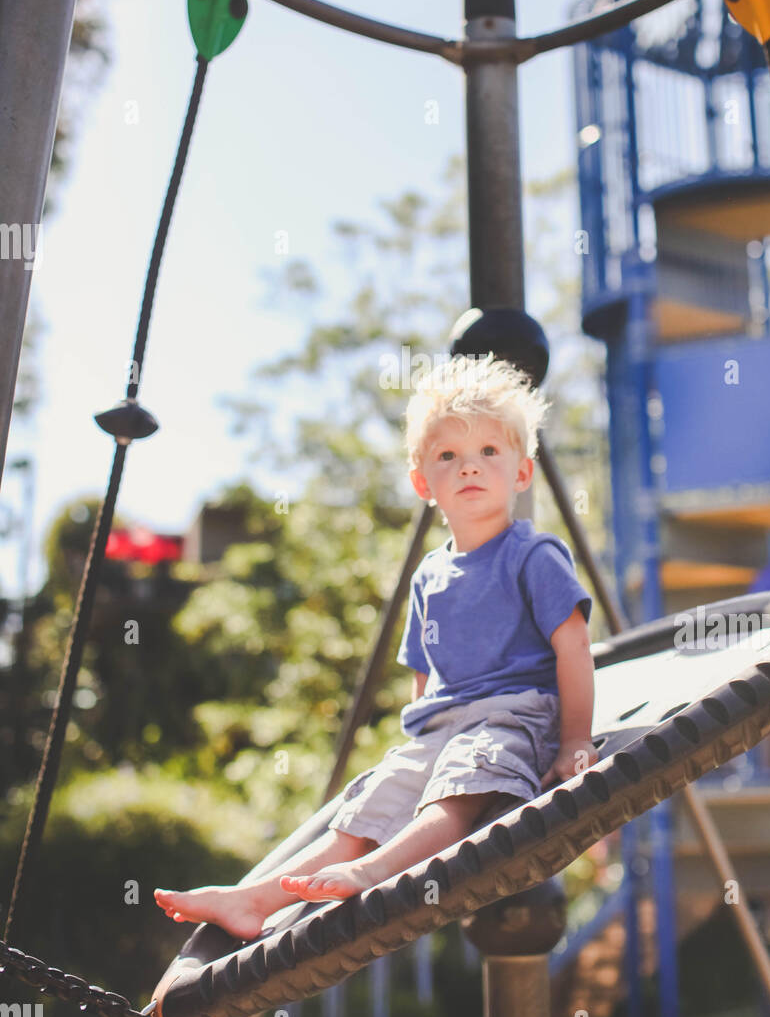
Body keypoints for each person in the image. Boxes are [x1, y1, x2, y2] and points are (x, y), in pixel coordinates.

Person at [154, 353, 597, 939]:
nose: (470, 467)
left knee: (457, 791)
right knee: (368, 809)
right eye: (449, 457)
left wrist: (574, 740)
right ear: (423, 483)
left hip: (513, 715)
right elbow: (423, 674)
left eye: (489, 452)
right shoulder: (428, 576)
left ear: (521, 472)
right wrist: (419, 750)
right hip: (443, 724)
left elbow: (574, 646)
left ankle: (379, 870)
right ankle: (255, 900)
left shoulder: (532, 555)